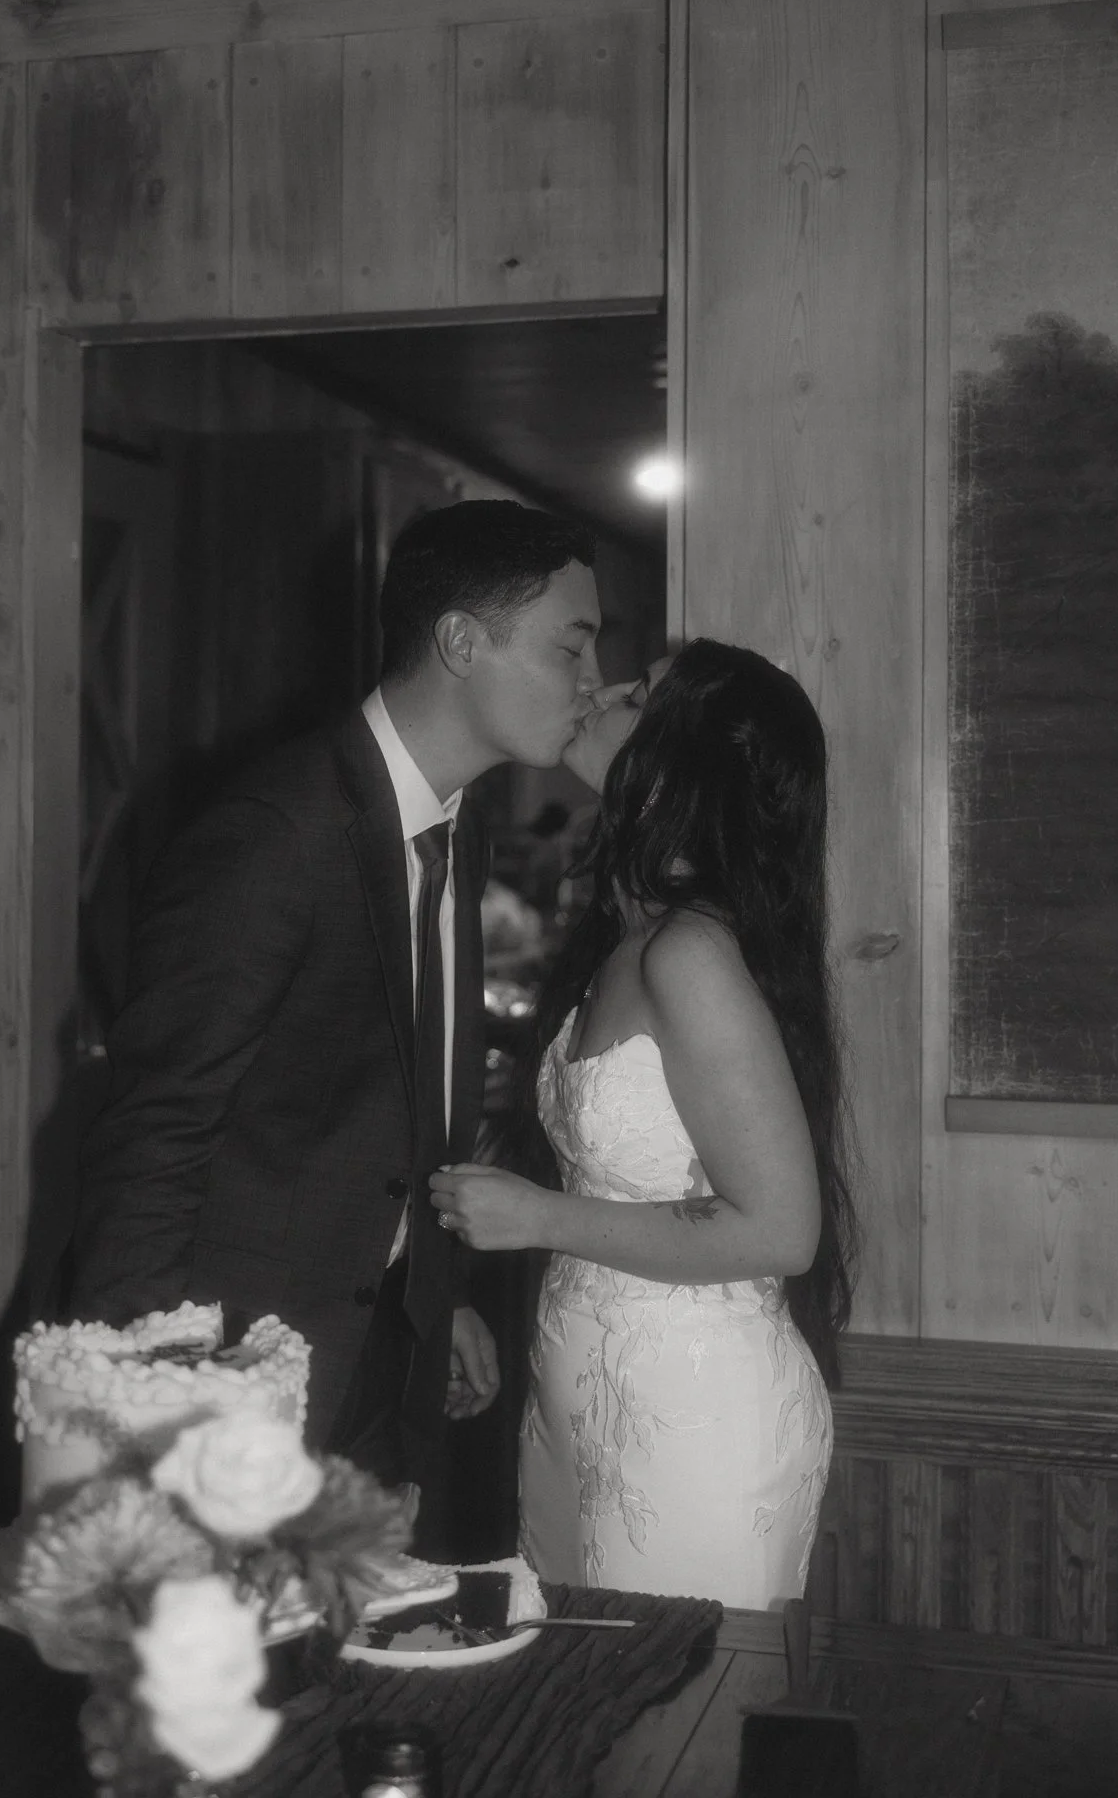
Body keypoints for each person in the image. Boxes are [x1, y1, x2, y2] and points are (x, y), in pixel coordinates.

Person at [69, 500, 604, 1552]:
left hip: (369, 1350)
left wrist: (430, 1294)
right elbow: (152, 1133)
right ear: (461, 640)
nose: (592, 681)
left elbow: (390, 1108)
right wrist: (144, 1414)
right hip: (225, 1376)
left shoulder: (452, 824)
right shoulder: (276, 831)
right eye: (571, 645)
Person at [430, 640, 858, 1604]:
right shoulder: (630, 934)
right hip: (584, 1396)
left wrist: (541, 1218)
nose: (601, 691)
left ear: (688, 756)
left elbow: (781, 1231)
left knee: (672, 1738)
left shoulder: (690, 954)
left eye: (638, 693)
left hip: (691, 1422)